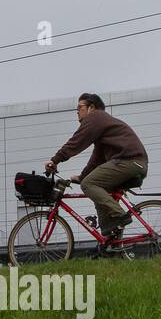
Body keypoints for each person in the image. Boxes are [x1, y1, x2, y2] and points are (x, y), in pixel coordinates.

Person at [44, 93, 148, 239]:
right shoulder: (103, 125)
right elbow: (96, 159)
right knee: (97, 188)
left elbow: (77, 141)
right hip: (132, 162)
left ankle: (120, 216)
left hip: (129, 161)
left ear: (91, 107)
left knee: (88, 184)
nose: (77, 112)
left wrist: (55, 160)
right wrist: (82, 176)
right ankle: (108, 240)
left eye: (80, 108)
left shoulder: (95, 117)